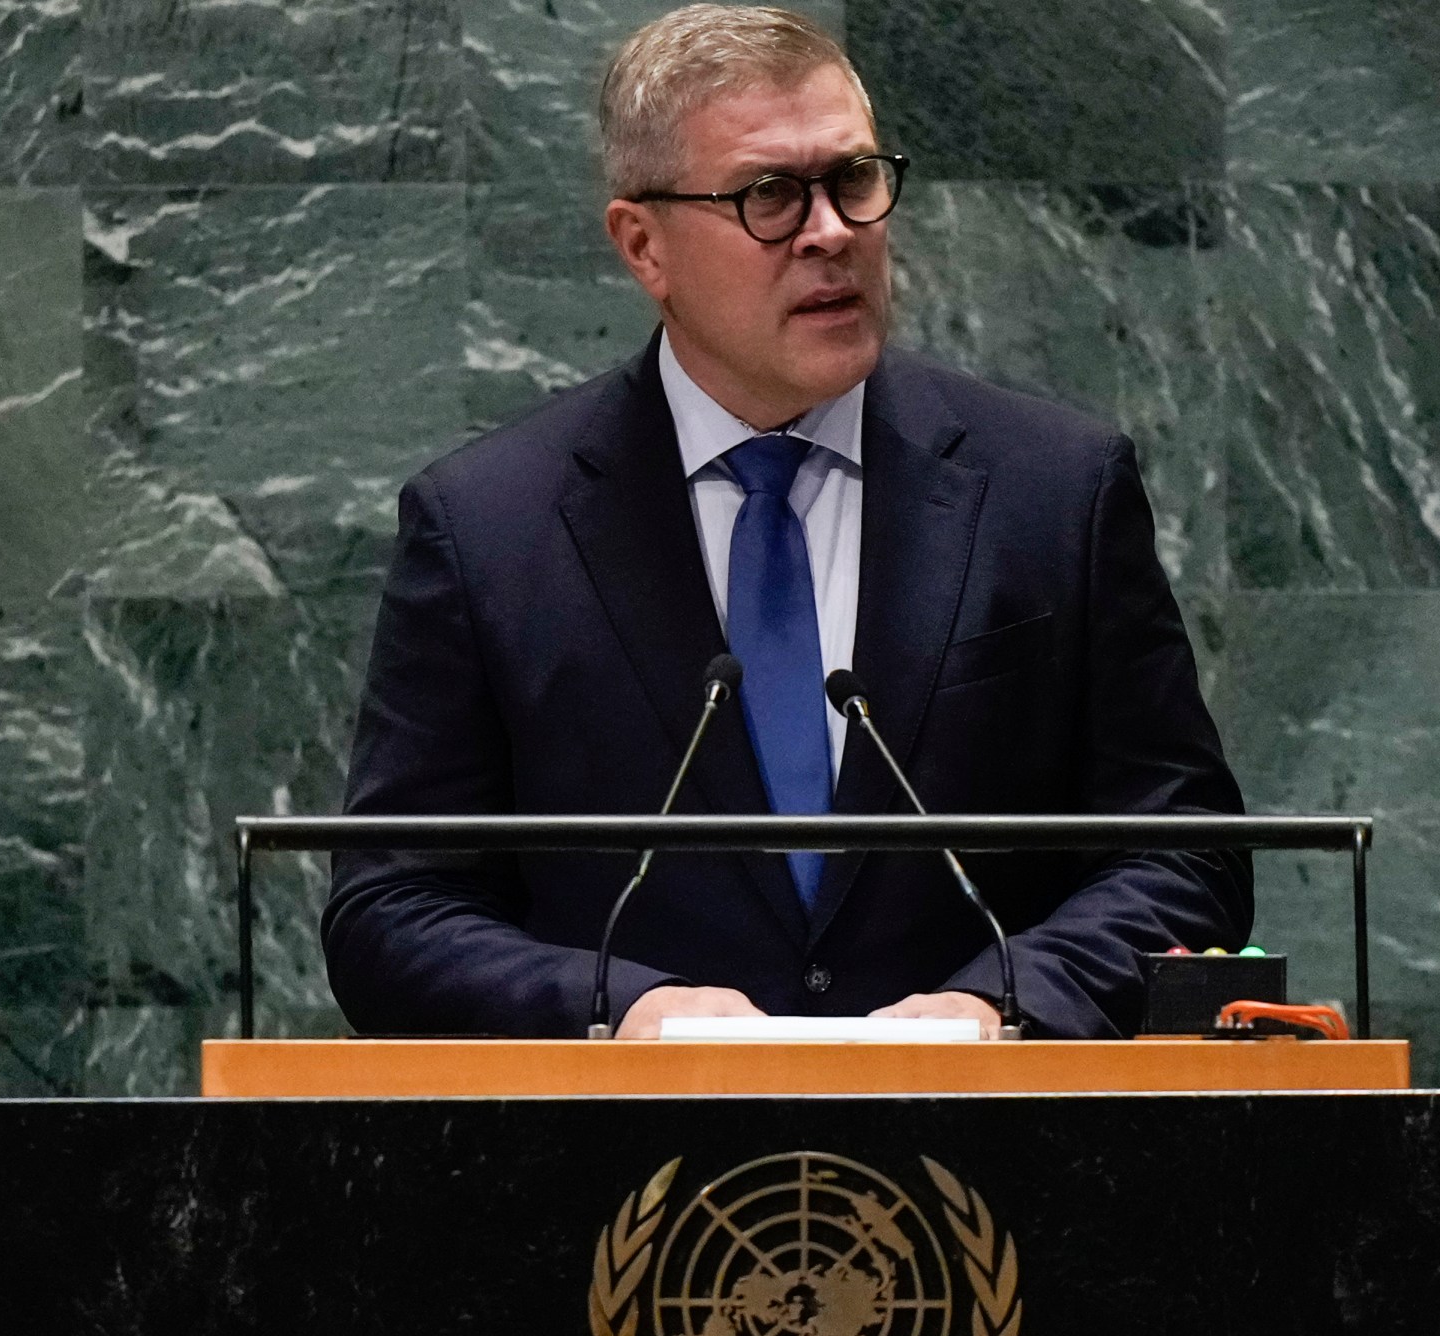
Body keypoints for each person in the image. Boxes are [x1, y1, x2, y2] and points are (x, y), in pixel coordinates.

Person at [323, 4, 1249, 1039]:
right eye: (770, 194)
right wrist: (628, 1010)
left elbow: (1183, 853)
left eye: (853, 179)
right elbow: (391, 911)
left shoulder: (1054, 492)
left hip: (1002, 1156)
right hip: (620, 1173)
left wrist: (998, 1009)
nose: (832, 232)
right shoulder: (487, 526)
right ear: (644, 246)